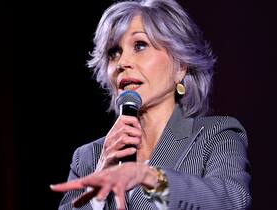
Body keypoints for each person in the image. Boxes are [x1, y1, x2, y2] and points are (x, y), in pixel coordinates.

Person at [50, 0, 251, 209]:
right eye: (113, 52)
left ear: (180, 65)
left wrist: (148, 176)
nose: (122, 63)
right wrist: (98, 187)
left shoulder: (215, 135)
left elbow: (232, 201)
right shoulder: (87, 158)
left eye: (140, 45)